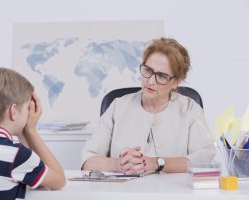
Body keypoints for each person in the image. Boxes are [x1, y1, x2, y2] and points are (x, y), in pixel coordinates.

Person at [81, 38, 216, 175]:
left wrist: (156, 163)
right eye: (147, 70)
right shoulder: (118, 106)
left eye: (162, 76)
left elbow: (204, 159)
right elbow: (87, 161)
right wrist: (119, 164)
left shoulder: (190, 109)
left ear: (176, 82)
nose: (150, 81)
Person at [0, 67, 66, 200]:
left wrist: (23, 133)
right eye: (28, 108)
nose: (30, 114)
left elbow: (30, 173)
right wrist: (31, 130)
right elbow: (59, 180)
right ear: (14, 111)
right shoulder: (17, 155)